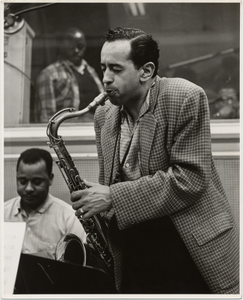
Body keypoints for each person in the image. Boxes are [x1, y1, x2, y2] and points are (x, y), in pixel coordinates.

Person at [70, 27, 239, 294]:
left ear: (146, 71)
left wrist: (113, 196)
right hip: (136, 249)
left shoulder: (186, 96)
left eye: (115, 69)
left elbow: (191, 179)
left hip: (187, 246)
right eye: (102, 68)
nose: (105, 79)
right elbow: (110, 179)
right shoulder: (103, 114)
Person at [4, 148, 86, 260]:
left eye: (37, 182)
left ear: (50, 179)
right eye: (22, 181)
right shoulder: (3, 212)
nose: (29, 188)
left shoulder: (70, 219)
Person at [36, 27, 104, 123]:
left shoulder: (91, 71)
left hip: (98, 128)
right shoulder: (49, 74)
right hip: (69, 132)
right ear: (62, 47)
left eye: (80, 46)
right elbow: (46, 117)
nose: (76, 50)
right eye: (71, 47)